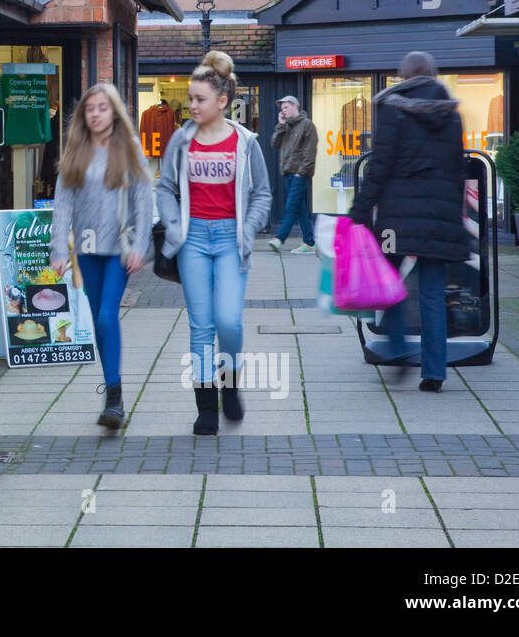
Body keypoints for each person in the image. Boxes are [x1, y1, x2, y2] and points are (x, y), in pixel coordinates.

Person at [156, 51, 272, 435]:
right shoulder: (181, 141)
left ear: (222, 102)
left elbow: (263, 194)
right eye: (190, 98)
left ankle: (232, 381)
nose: (191, 105)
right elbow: (166, 188)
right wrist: (174, 228)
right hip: (192, 240)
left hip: (228, 240)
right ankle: (206, 407)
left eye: (199, 99)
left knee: (229, 322)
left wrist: (248, 229)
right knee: (201, 325)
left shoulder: (245, 141)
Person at [348, 51, 468, 392]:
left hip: (396, 218)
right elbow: (458, 168)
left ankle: (399, 348)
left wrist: (360, 208)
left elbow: (381, 165)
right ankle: (434, 372)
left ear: (404, 74)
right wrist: (455, 213)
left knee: (386, 277)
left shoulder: (393, 109)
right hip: (440, 215)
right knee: (432, 291)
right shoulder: (451, 113)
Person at [49, 83, 152, 430]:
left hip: (119, 250)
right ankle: (112, 389)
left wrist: (140, 246)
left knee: (108, 316)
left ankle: (114, 397)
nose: (95, 113)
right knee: (96, 321)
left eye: (102, 108)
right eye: (90, 108)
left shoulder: (129, 148)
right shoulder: (75, 149)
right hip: (87, 250)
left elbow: (143, 198)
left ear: (114, 112)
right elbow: (62, 204)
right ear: (83, 115)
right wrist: (58, 250)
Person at [268, 95, 318, 254]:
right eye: (282, 109)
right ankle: (309, 243)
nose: (283, 111)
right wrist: (281, 126)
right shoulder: (286, 126)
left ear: (295, 106)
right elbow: (274, 143)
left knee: (291, 206)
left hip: (299, 174)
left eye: (286, 107)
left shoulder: (307, 125)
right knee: (300, 208)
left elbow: (310, 152)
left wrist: (301, 173)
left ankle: (279, 238)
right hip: (288, 173)